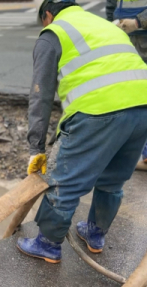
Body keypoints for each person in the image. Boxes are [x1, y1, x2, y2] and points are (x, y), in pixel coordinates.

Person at [18, 0, 147, 263]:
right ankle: (95, 233)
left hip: (99, 111)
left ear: (48, 15)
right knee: (113, 181)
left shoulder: (54, 32)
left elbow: (40, 97)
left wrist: (36, 148)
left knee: (65, 182)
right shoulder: (103, 24)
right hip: (143, 105)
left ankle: (48, 243)